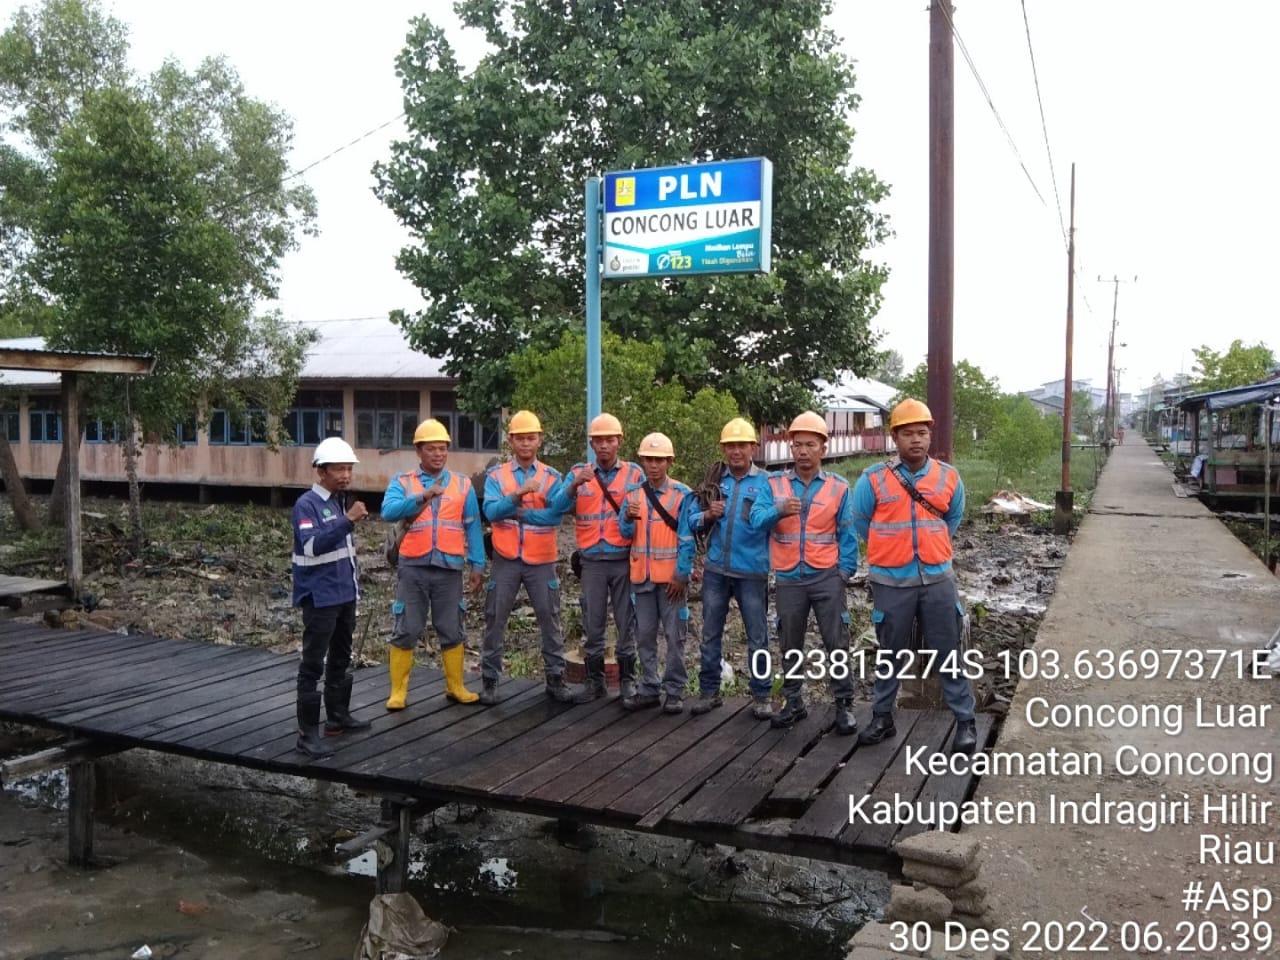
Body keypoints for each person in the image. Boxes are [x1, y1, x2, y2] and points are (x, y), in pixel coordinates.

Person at [852, 398, 977, 755]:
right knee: (890, 653)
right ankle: (882, 717)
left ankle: (965, 722)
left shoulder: (948, 477)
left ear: (929, 436)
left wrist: (930, 546)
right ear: (895, 437)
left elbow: (952, 519)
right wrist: (893, 551)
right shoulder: (873, 479)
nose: (916, 440)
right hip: (891, 583)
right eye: (908, 433)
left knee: (948, 653)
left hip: (938, 581)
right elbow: (862, 522)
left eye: (922, 433)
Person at [751, 412, 859, 734]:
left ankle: (844, 705)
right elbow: (756, 521)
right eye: (797, 444)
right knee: (790, 641)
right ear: (790, 447)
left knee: (836, 642)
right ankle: (794, 702)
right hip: (788, 577)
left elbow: (847, 533)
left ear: (823, 448)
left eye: (810, 444)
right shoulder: (775, 484)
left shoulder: (838, 487)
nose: (803, 451)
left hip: (826, 575)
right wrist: (778, 510)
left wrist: (843, 573)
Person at [380, 418, 486, 711]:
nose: (438, 454)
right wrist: (421, 496)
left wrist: (477, 566)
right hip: (413, 566)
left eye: (442, 448)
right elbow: (388, 512)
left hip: (449, 568)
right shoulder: (403, 482)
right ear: (419, 451)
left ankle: (455, 686)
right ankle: (398, 692)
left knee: (452, 627)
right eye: (432, 449)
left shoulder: (463, 485)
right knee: (407, 627)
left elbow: (473, 527)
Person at [544, 412, 645, 701]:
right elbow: (556, 508)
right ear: (591, 443)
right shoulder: (578, 472)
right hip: (591, 561)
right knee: (593, 621)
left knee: (627, 620)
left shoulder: (634, 474)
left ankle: (627, 679)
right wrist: (575, 484)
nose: (603, 445)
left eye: (609, 440)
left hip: (623, 558)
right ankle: (594, 681)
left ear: (620, 441)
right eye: (598, 440)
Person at [481, 410, 574, 704]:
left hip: (541, 561)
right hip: (506, 559)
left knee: (550, 618)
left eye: (530, 438)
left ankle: (556, 679)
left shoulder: (551, 477)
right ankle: (490, 680)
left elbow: (554, 516)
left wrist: (519, 513)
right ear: (510, 441)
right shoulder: (497, 476)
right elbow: (491, 513)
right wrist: (518, 495)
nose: (525, 444)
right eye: (519, 438)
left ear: (539, 440)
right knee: (495, 618)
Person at [688, 417, 774, 720]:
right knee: (710, 635)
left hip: (752, 572)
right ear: (723, 449)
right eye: (730, 446)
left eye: (742, 445)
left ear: (753, 447)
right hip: (715, 571)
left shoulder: (766, 483)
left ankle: (762, 695)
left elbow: (775, 523)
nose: (736, 451)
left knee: (757, 637)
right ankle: (708, 692)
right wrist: (708, 515)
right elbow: (690, 521)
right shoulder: (714, 481)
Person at [291, 437, 371, 759]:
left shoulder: (338, 502)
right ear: (320, 471)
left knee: (341, 657)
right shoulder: (306, 505)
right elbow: (312, 546)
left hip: (344, 594)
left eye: (349, 468)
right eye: (339, 469)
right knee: (313, 665)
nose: (346, 475)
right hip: (319, 597)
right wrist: (348, 520)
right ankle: (306, 736)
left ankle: (337, 719)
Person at [617, 432, 695, 713]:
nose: (654, 465)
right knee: (645, 635)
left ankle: (674, 691)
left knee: (675, 637)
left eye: (659, 460)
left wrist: (681, 574)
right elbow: (625, 534)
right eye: (649, 460)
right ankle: (649, 687)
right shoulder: (633, 495)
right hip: (643, 579)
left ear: (669, 461)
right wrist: (626, 517)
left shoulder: (682, 495)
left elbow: (687, 538)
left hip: (671, 580)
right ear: (642, 461)